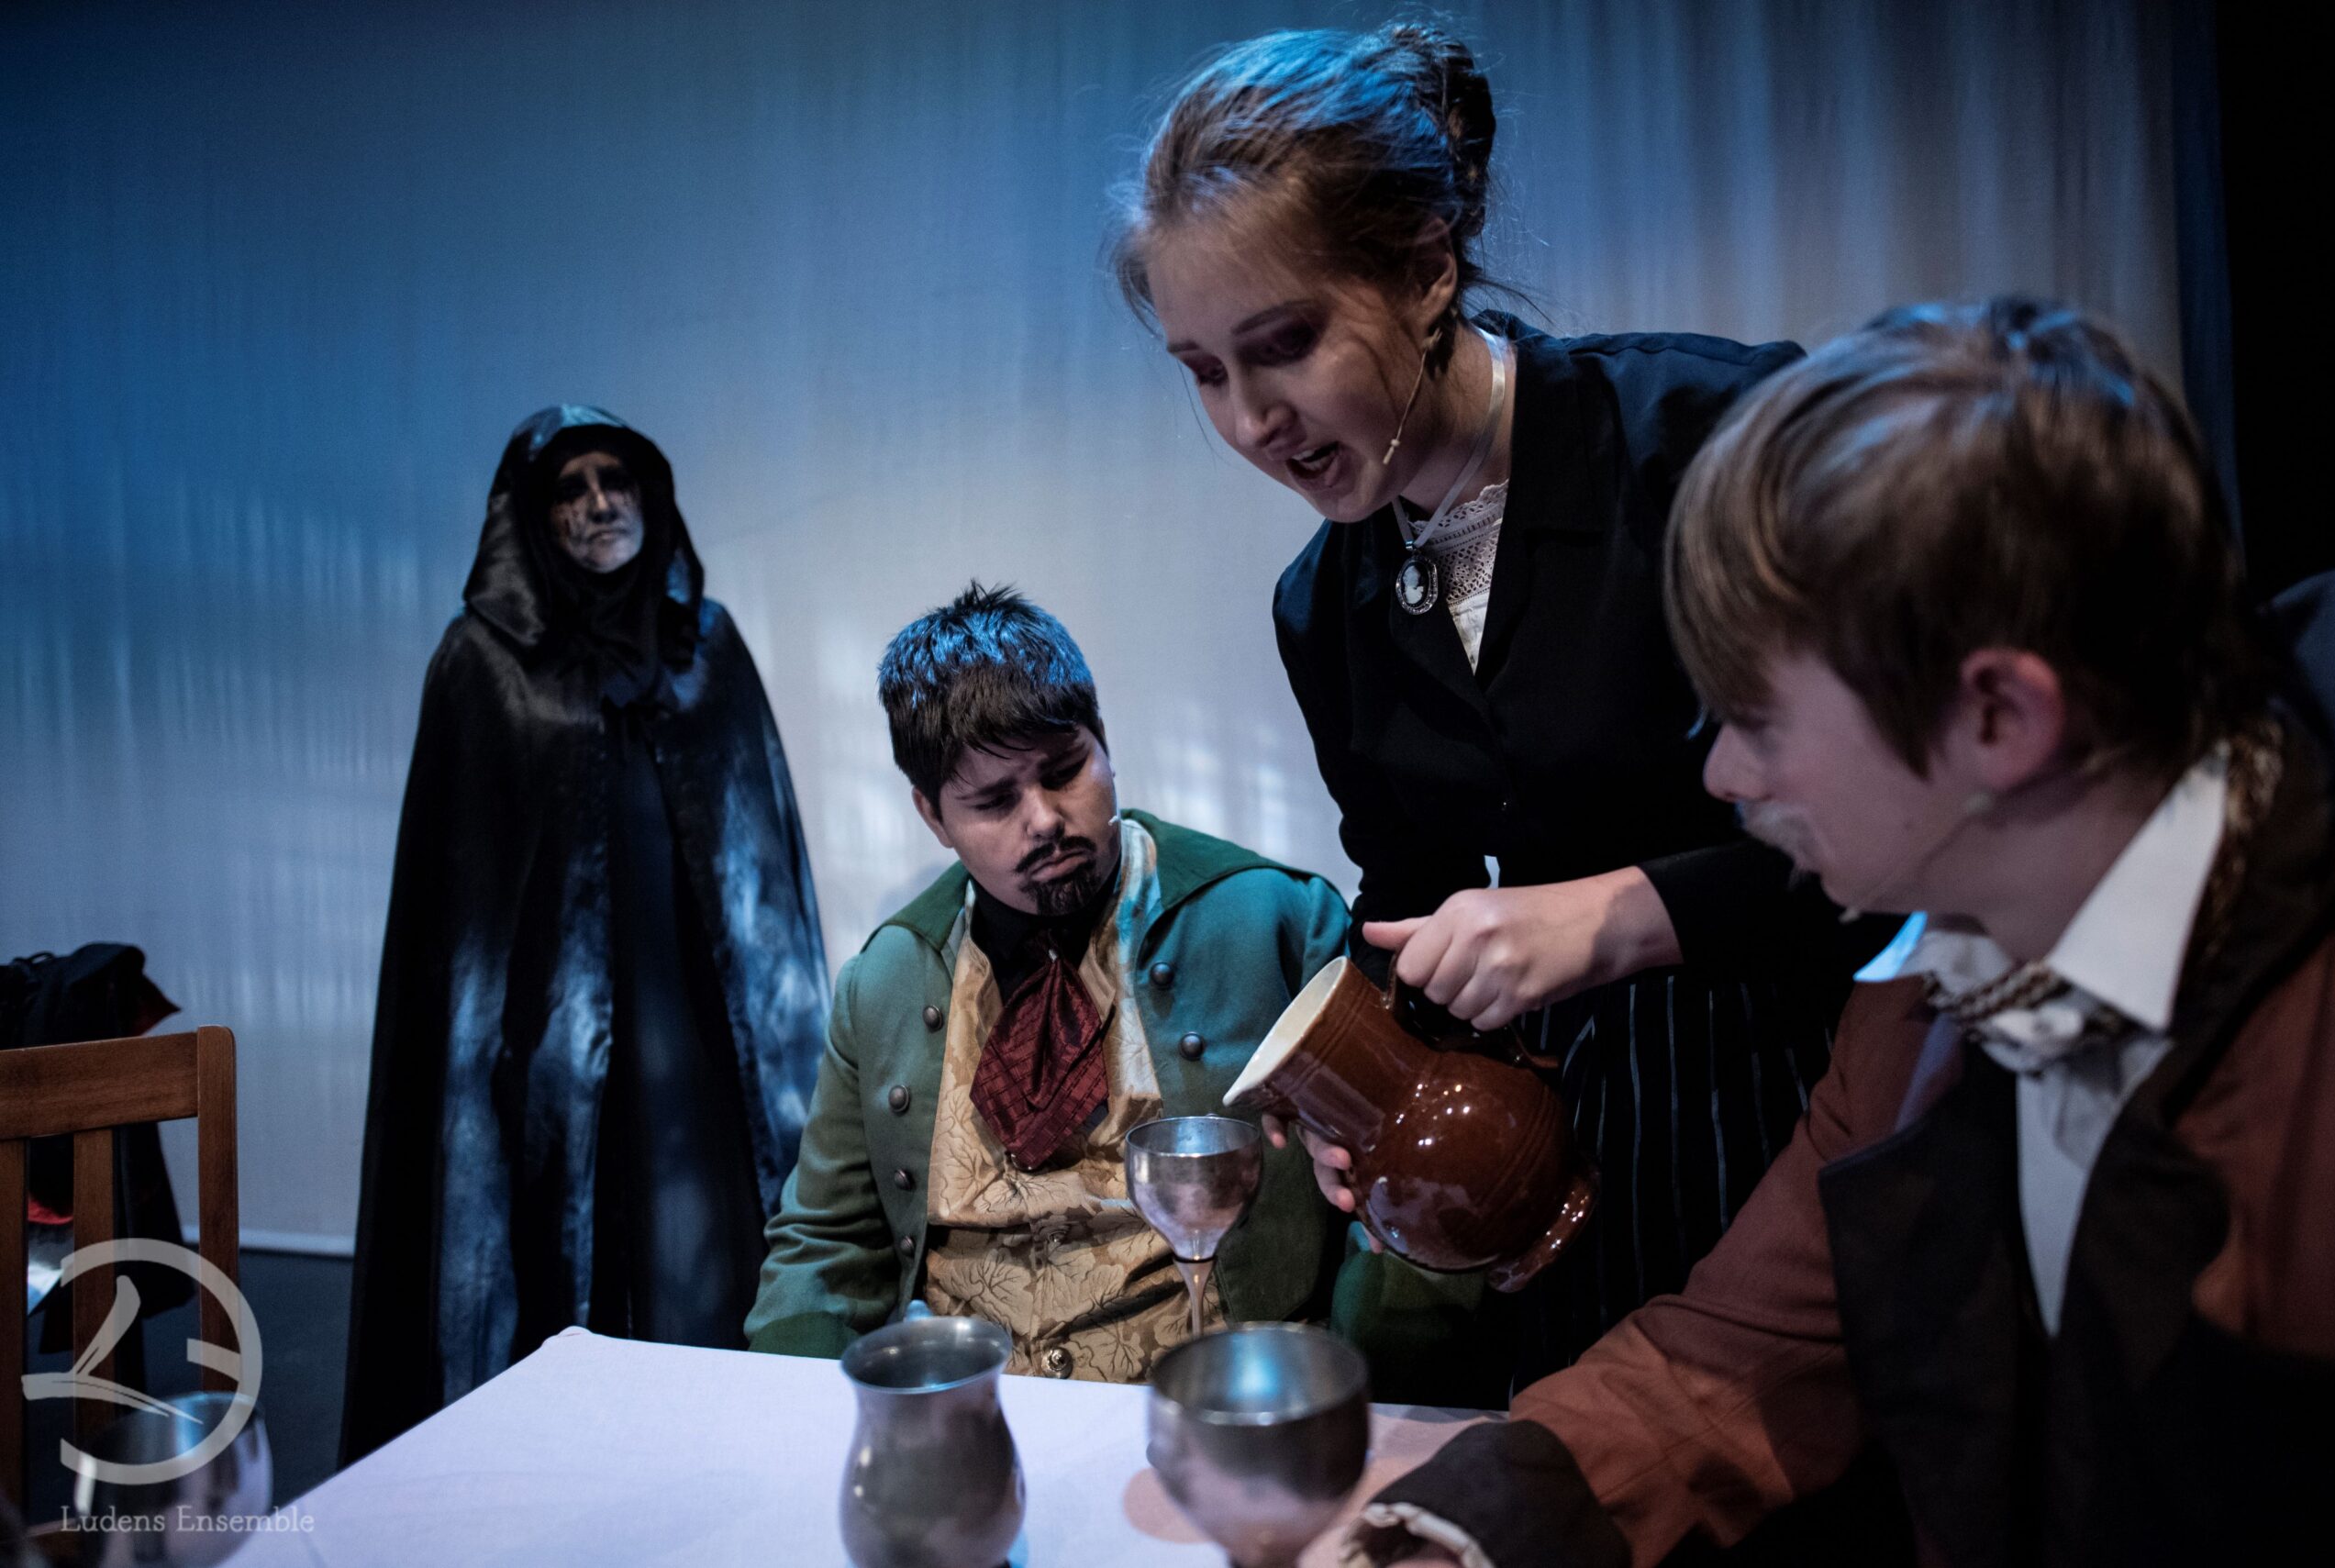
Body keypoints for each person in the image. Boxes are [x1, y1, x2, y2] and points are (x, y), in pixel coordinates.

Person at [1344, 298, 2335, 1568]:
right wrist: (1454, 1534)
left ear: (1998, 717)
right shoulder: (1926, 988)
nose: (1724, 777)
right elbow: (1739, 1353)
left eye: (1757, 719)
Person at [1110, 22, 1889, 1398]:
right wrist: (1360, 1077)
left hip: (1830, 1113)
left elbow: (1915, 825)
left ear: (1426, 270)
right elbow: (1408, 895)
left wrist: (1626, 912)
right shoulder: (1324, 606)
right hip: (1584, 1172)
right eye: (1203, 372)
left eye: (1283, 344)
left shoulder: (1706, 438)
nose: (1250, 421)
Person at [343, 406, 829, 1462]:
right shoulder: (481, 663)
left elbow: (765, 873)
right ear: (530, 518)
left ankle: (729, 1472)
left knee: (710, 1257)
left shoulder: (707, 648)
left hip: (700, 1034)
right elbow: (459, 924)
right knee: (570, 1262)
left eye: (619, 480)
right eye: (571, 487)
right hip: (542, 1060)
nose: (601, 503)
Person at [744, 584, 1353, 1381]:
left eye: (1064, 771)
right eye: (994, 800)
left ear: (1104, 744)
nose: (1043, 820)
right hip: (975, 1406)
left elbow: (1386, 1191)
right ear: (933, 816)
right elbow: (825, 1243)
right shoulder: (884, 981)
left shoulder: (1273, 921)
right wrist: (791, 1409)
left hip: (1216, 1398)